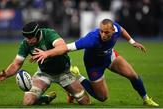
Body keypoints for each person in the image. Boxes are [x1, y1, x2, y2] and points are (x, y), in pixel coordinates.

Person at [31, 19, 159, 107]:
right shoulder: (91, 39)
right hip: (94, 65)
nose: (103, 34)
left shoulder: (116, 29)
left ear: (113, 30)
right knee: (103, 97)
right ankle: (78, 76)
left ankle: (146, 99)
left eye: (106, 32)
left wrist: (132, 42)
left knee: (133, 75)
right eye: (101, 31)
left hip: (109, 56)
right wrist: (47, 53)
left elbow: (123, 30)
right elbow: (66, 47)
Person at [0, 21, 90, 105]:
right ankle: (45, 98)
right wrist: (6, 73)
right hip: (44, 73)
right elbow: (17, 63)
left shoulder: (49, 34)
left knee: (85, 102)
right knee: (27, 101)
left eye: (30, 38)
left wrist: (46, 53)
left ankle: (70, 91)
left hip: (63, 72)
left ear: (37, 34)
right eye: (26, 38)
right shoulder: (26, 43)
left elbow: (63, 47)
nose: (27, 40)